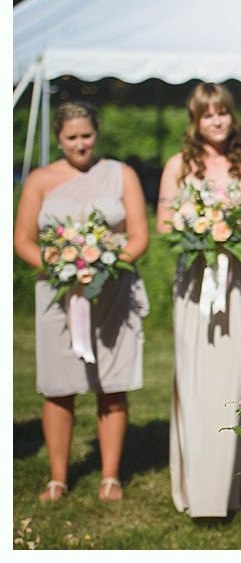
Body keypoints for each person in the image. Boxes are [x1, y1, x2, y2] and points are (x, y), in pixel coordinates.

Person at [14, 101, 149, 502]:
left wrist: (103, 265)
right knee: (58, 385)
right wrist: (63, 271)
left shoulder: (121, 175)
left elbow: (139, 235)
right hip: (57, 295)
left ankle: (110, 476)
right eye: (71, 137)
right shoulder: (40, 179)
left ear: (97, 133)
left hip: (111, 293)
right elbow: (22, 238)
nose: (80, 144)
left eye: (86, 135)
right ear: (58, 138)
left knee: (112, 383)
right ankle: (58, 477)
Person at [156, 82, 241, 518]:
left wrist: (229, 235)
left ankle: (232, 486)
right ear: (196, 120)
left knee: (233, 380)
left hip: (239, 280)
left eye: (222, 112)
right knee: (194, 376)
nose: (217, 121)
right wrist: (202, 231)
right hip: (194, 282)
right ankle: (195, 485)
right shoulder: (178, 165)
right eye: (208, 114)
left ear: (231, 115)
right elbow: (166, 225)